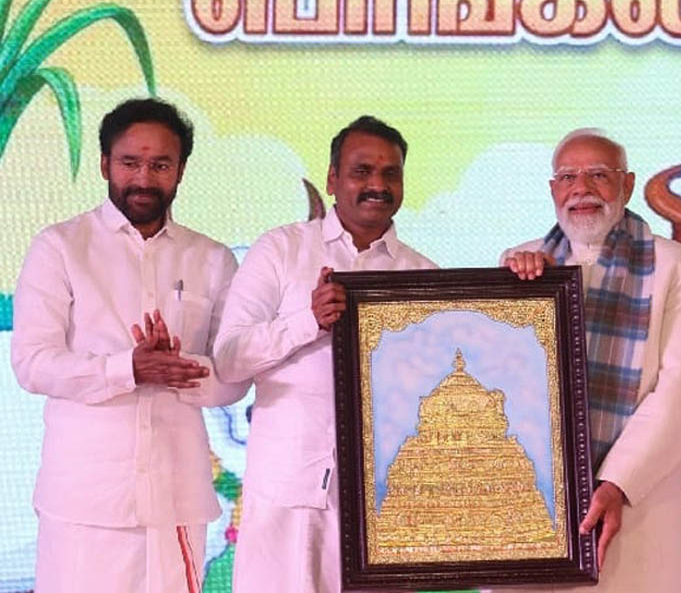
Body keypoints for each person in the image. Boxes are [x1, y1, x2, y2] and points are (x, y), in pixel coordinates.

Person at [11, 98, 246, 592]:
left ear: (180, 170)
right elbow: (32, 363)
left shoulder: (212, 259)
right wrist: (128, 369)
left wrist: (183, 369)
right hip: (82, 500)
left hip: (175, 501)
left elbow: (233, 378)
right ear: (105, 165)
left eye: (160, 164)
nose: (144, 178)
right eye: (130, 163)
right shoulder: (60, 247)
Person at [214, 115, 437, 593]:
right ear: (333, 178)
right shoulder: (282, 249)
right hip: (287, 496)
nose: (377, 185)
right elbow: (229, 359)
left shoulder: (424, 276)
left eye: (391, 173)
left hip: (382, 506)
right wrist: (307, 321)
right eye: (362, 171)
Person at [498, 129, 681, 592]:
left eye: (599, 175)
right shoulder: (519, 263)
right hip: (532, 509)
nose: (581, 189)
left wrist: (616, 483)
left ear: (628, 184)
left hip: (635, 504)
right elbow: (500, 377)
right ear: (553, 190)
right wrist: (515, 292)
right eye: (568, 177)